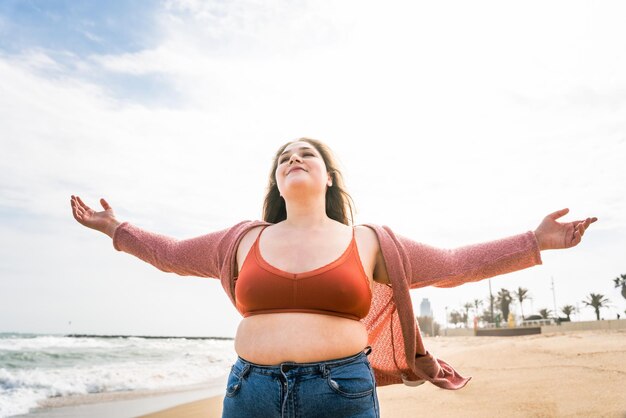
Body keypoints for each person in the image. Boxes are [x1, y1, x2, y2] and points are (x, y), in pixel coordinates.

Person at [70, 138, 597, 418]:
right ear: (277, 179)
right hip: (248, 391)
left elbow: (455, 263)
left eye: (307, 154)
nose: (293, 159)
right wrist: (115, 227)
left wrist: (534, 241)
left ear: (327, 176)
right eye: (283, 157)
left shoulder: (368, 240)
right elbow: (171, 254)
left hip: (339, 391)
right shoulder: (241, 240)